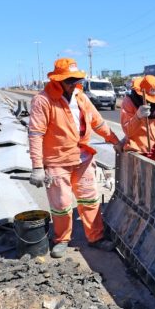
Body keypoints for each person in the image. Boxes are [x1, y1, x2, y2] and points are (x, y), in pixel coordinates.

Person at [28, 57, 121, 258]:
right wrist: (37, 166)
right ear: (58, 80)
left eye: (76, 80)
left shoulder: (80, 97)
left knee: (90, 199)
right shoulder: (43, 100)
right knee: (61, 205)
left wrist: (114, 140)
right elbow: (36, 134)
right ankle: (61, 239)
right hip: (57, 161)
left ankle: (95, 237)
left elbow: (97, 122)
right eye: (69, 81)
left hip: (84, 158)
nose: (73, 84)